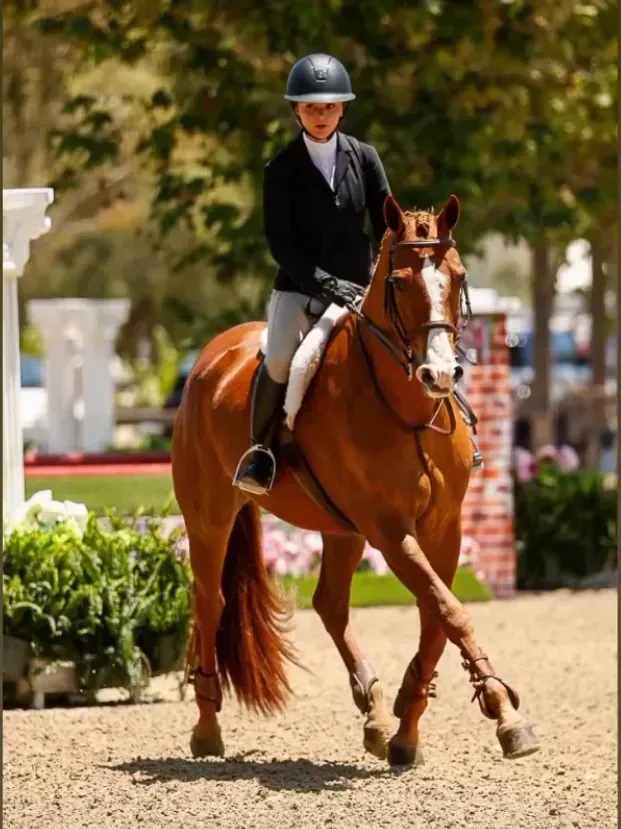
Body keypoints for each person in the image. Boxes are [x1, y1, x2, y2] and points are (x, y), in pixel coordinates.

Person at [233, 53, 392, 495]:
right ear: (296, 111)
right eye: (310, 107)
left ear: (342, 108)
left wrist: (381, 277)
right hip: (299, 289)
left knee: (411, 346)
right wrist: (325, 283)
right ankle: (260, 452)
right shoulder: (280, 169)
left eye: (328, 107)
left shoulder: (366, 158)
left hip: (359, 288)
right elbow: (280, 243)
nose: (320, 116)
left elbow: (386, 225)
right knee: (284, 358)